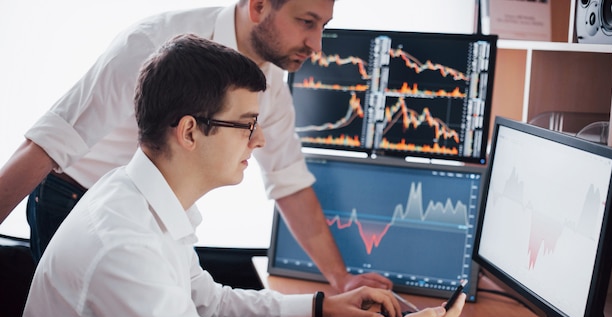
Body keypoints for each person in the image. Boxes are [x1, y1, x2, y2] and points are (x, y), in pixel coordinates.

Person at [0, 34, 464, 317]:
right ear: (189, 132)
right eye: (246, 124)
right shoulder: (123, 244)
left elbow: (208, 302)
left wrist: (323, 307)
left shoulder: (140, 198)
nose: (259, 140)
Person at [0, 0, 392, 292]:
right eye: (306, 22)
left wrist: (341, 280)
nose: (317, 44)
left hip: (152, 219)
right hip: (75, 201)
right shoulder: (153, 42)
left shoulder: (270, 86)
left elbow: (289, 183)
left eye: (323, 25)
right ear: (257, 6)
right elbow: (48, 143)